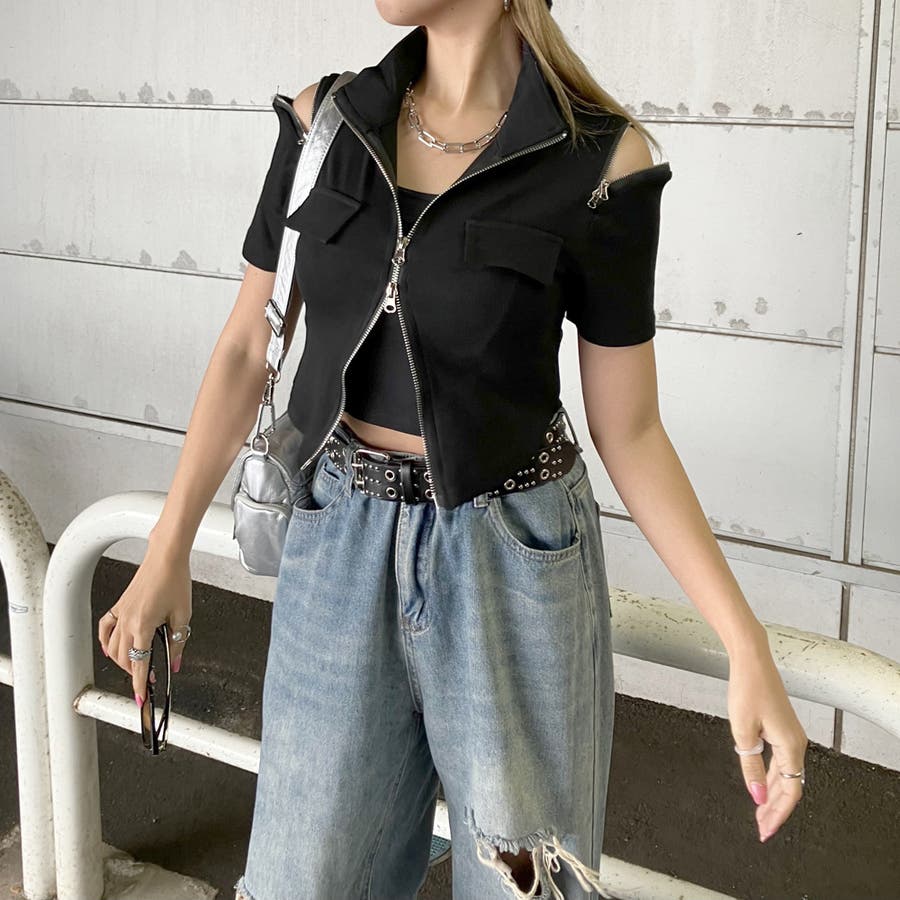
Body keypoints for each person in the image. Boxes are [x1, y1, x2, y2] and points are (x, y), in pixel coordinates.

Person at [98, 1, 809, 898]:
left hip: (513, 561)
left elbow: (629, 428)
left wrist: (744, 643)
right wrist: (167, 550)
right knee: (299, 881)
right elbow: (248, 344)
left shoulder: (600, 161)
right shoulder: (326, 123)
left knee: (525, 882)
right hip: (337, 543)